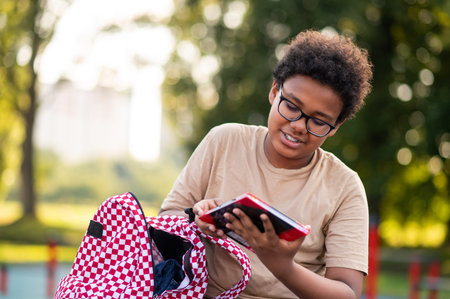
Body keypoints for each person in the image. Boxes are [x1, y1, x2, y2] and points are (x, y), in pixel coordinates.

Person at [159, 29, 373, 299]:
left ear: (335, 126)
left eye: (318, 121)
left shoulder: (344, 186)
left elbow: (348, 292)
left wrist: (283, 267)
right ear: (274, 92)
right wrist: (195, 221)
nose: (297, 126)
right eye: (292, 106)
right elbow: (166, 221)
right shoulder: (224, 140)